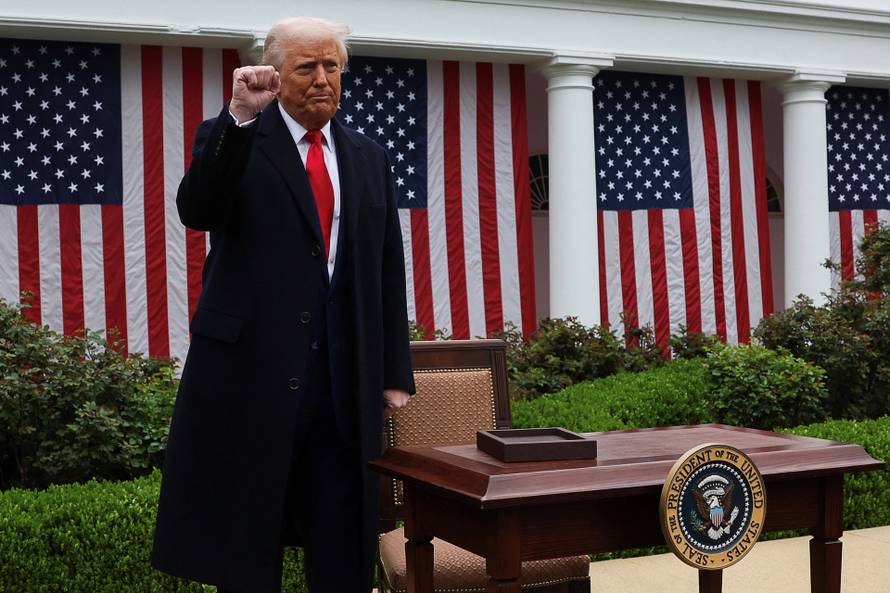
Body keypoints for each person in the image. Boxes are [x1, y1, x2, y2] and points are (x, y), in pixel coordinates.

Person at [151, 16, 415, 593]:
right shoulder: (236, 134)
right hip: (251, 380)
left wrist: (394, 372)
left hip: (343, 387)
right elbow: (198, 209)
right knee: (248, 546)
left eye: (332, 66)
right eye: (306, 67)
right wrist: (240, 117)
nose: (322, 79)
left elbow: (386, 269)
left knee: (342, 544)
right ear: (275, 72)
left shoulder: (368, 156)